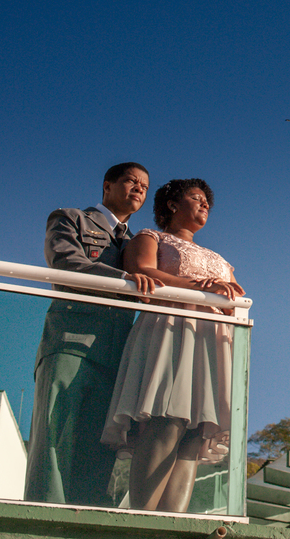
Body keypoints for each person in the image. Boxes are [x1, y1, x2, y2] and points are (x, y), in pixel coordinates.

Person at [102, 178, 244, 512]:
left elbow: (237, 299)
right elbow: (141, 270)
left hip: (212, 341)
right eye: (196, 197)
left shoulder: (220, 258)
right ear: (172, 204)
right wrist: (200, 287)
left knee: (195, 433)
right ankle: (143, 521)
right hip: (170, 330)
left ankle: (173, 524)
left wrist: (225, 300)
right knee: (166, 420)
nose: (205, 204)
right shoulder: (151, 237)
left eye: (207, 202)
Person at [25, 162, 152, 505]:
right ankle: (46, 515)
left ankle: (86, 517)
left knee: (100, 444)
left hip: (117, 354)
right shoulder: (71, 219)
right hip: (71, 340)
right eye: (131, 181)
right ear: (107, 185)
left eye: (144, 186)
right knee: (54, 434)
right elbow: (65, 262)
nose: (139, 189)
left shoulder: (138, 243)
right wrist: (125, 281)